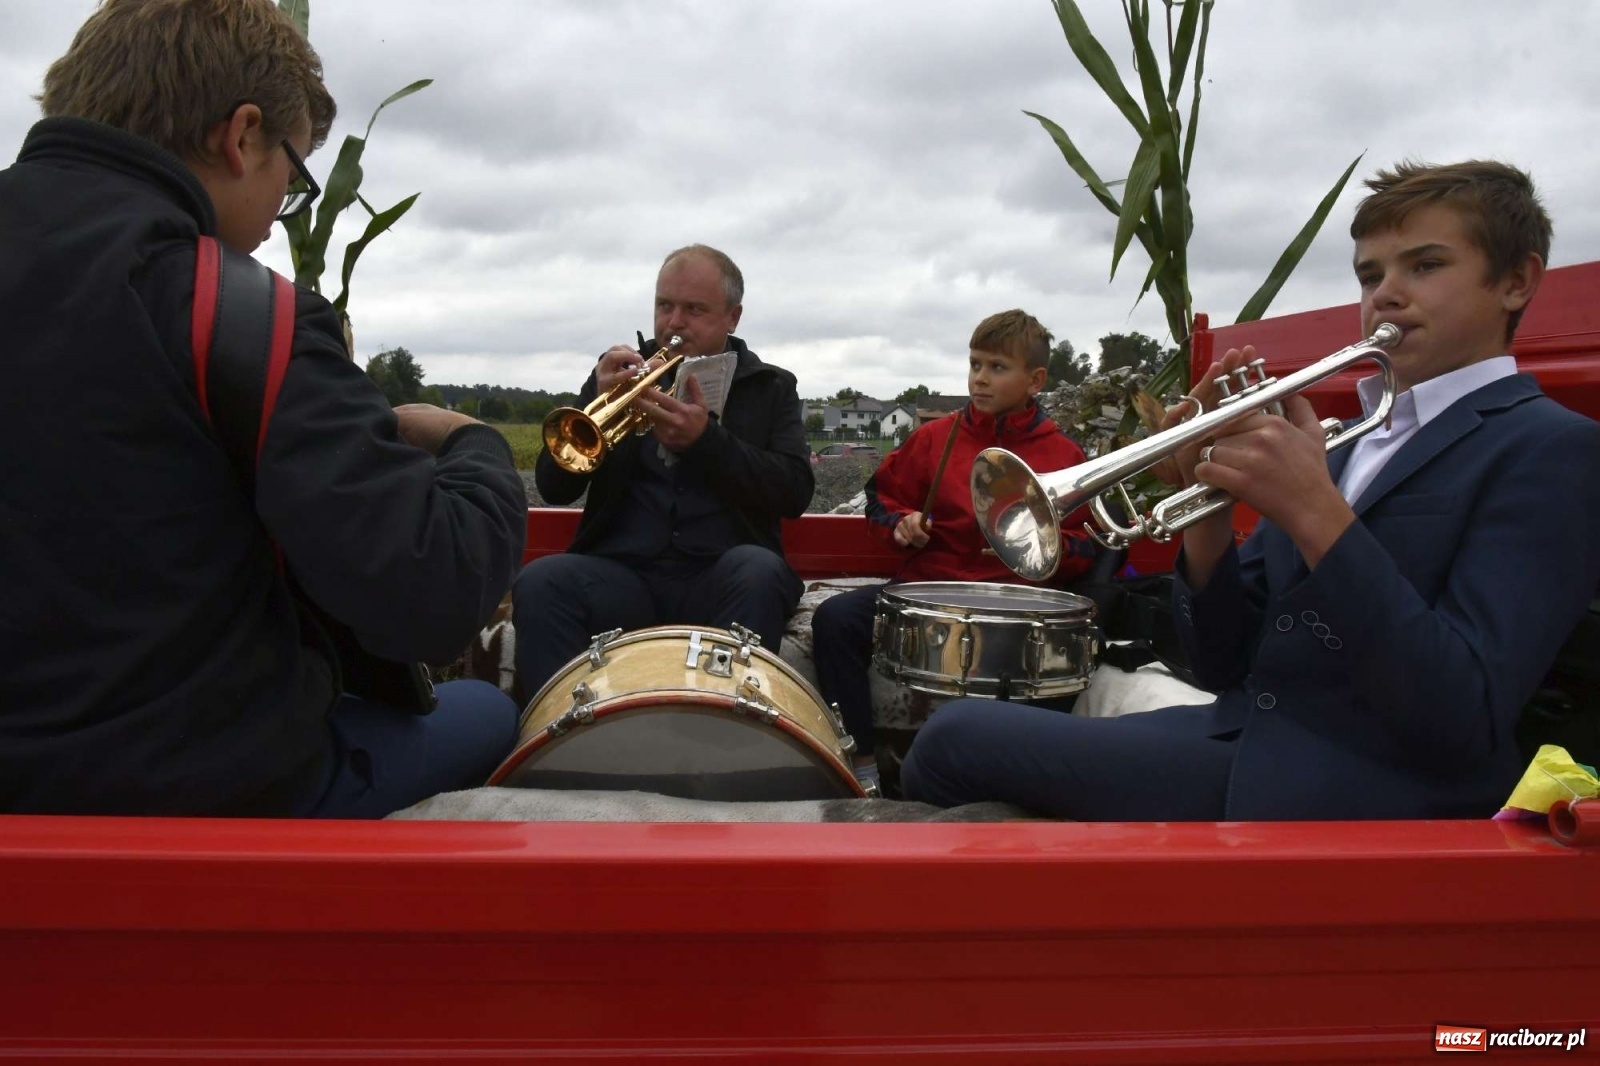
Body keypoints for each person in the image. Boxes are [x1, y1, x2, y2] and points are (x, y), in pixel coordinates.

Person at [903, 160, 1600, 821]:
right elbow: (1225, 663)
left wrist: (1316, 512)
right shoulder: (1352, 436)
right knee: (946, 732)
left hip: (1365, 782)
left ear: (1515, 281)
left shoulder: (1552, 448)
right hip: (1251, 738)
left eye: (1426, 265)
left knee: (953, 743)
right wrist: (1206, 505)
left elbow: (1463, 712)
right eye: (1369, 274)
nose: (1385, 292)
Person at [0, 0, 528, 818]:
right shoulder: (237, 314)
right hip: (191, 794)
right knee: (491, 712)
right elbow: (434, 596)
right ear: (242, 135)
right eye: (293, 175)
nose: (284, 211)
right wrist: (476, 444)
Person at [810, 309, 1099, 782]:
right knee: (836, 620)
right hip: (926, 592)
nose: (980, 379)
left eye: (997, 368)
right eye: (975, 364)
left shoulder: (1064, 456)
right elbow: (880, 499)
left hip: (1011, 606)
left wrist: (1042, 552)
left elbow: (1088, 546)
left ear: (1035, 380)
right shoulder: (932, 439)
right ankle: (861, 759)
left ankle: (1032, 780)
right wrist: (902, 525)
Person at [512, 245, 813, 697]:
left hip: (721, 574)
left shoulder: (771, 386)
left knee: (759, 570)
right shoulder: (620, 373)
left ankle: (727, 742)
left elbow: (794, 491)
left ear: (733, 317)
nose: (674, 322)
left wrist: (706, 443)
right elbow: (554, 487)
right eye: (664, 306)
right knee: (540, 580)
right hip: (621, 576)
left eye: (695, 309)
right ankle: (552, 742)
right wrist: (593, 396)